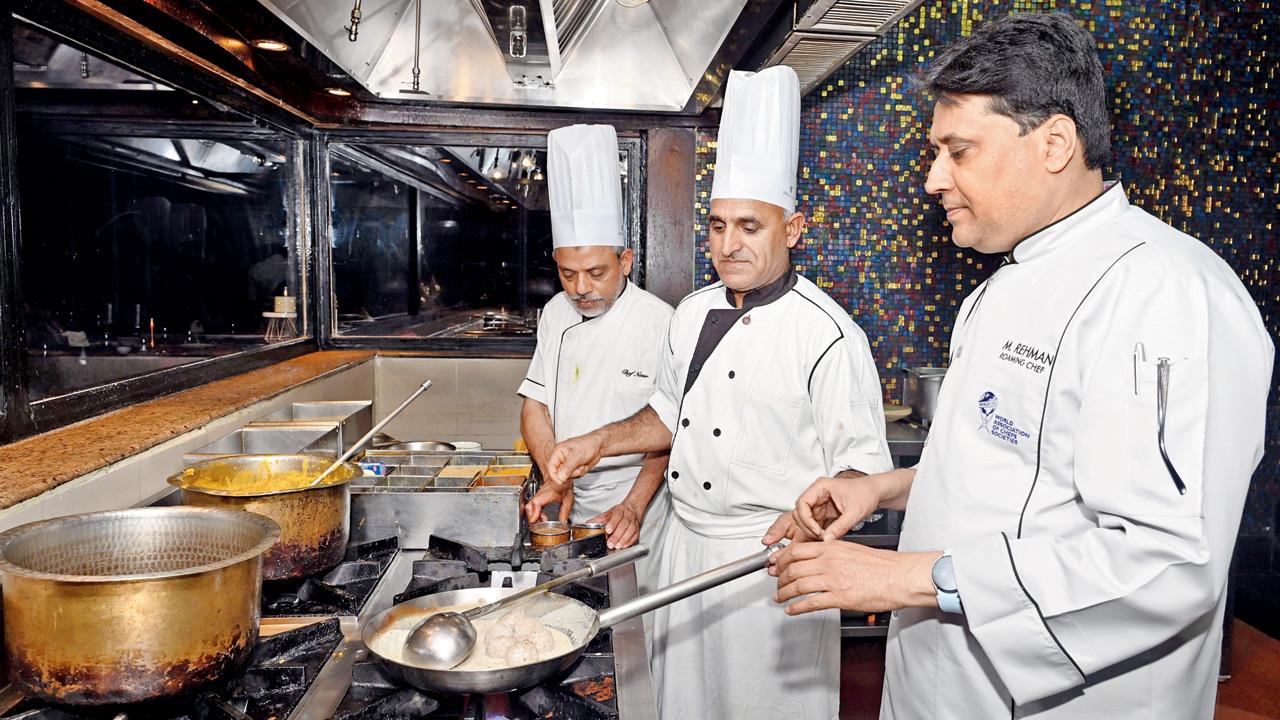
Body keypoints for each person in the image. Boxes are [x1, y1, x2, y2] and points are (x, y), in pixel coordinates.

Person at [768, 13, 1274, 719]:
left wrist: (904, 578)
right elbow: (1022, 474)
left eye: (959, 151)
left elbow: (1165, 563)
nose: (932, 179)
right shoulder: (998, 288)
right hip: (939, 681)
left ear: (1056, 142)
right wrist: (882, 489)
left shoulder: (1168, 293)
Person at [536, 66, 892, 720]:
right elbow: (670, 413)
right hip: (683, 549)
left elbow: (863, 467)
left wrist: (813, 521)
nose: (729, 245)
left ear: (793, 228)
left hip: (769, 564)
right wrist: (597, 441)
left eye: (749, 227)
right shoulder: (692, 313)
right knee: (679, 706)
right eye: (718, 225)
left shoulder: (829, 336)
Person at [519, 124, 674, 592]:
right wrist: (556, 473)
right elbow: (535, 406)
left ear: (625, 261)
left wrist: (634, 504)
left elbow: (671, 432)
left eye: (596, 272)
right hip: (571, 505)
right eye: (568, 274)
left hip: (639, 508)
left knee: (636, 628)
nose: (581, 288)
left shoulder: (662, 323)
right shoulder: (554, 314)